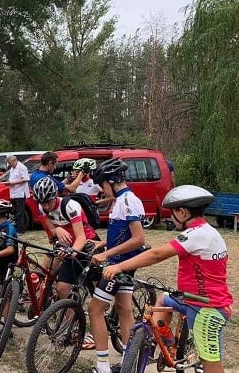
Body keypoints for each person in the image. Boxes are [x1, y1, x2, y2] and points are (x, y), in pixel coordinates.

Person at [104, 185, 233, 373]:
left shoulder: (197, 235)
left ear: (182, 212)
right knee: (163, 299)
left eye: (172, 212)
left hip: (208, 309)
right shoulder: (207, 231)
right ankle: (170, 346)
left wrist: (119, 266)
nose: (170, 217)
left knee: (211, 366)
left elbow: (157, 254)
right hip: (192, 299)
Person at [84, 158, 147, 372]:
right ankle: (128, 363)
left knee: (95, 309)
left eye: (103, 186)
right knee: (123, 309)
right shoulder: (121, 200)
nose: (102, 191)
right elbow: (124, 234)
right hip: (123, 262)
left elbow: (139, 239)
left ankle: (102, 366)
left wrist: (106, 254)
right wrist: (102, 243)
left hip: (120, 264)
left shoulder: (127, 200)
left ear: (111, 181)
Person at [32, 177, 103, 301]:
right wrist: (57, 230)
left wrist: (72, 252)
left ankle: (105, 313)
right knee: (62, 288)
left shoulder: (70, 206)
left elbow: (81, 236)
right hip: (68, 245)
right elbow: (52, 231)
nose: (47, 206)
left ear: (55, 196)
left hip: (88, 243)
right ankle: (71, 318)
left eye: (49, 201)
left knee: (98, 290)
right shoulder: (42, 207)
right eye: (43, 202)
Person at [4, 155, 29, 234]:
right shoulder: (12, 168)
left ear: (15, 160)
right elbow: (12, 178)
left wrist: (12, 183)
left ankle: (20, 229)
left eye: (10, 163)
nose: (10, 165)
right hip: (14, 193)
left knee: (20, 212)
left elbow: (25, 179)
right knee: (15, 211)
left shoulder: (22, 167)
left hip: (21, 193)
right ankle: (17, 227)